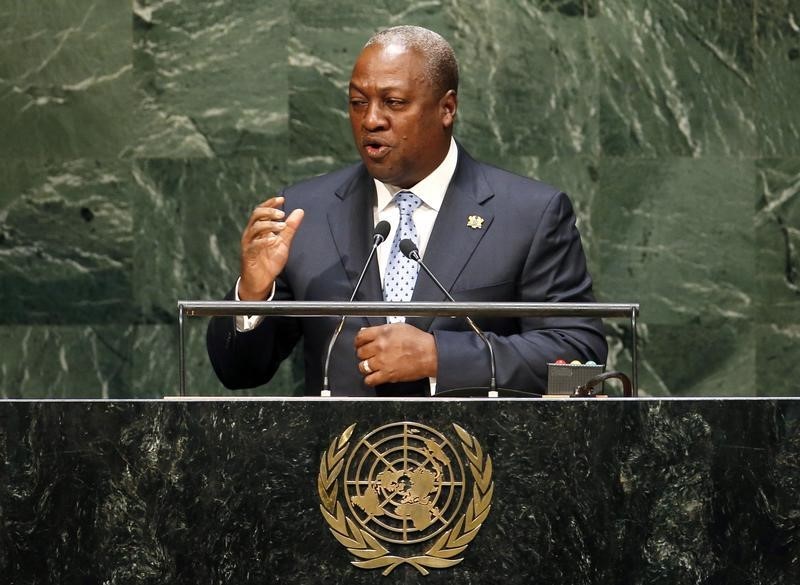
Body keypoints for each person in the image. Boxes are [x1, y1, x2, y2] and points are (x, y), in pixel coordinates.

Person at [206, 25, 607, 397]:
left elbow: (578, 360)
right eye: (358, 103)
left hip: (475, 464)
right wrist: (252, 295)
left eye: (393, 102)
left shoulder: (529, 215)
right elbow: (238, 372)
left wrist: (440, 357)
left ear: (446, 108)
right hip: (338, 465)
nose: (371, 120)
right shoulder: (303, 215)